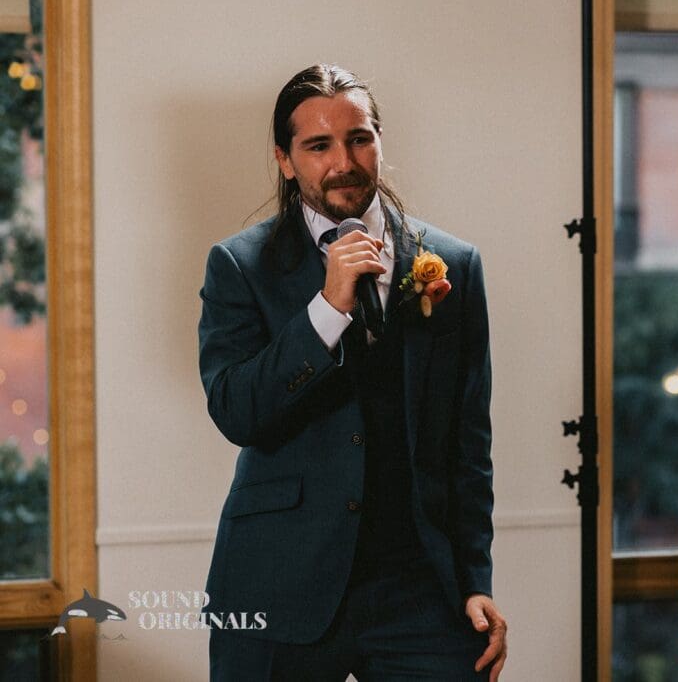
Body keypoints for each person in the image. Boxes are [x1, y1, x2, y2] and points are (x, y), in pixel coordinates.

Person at [198, 64, 507, 680]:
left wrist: (474, 579)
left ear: (379, 143)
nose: (344, 160)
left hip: (419, 588)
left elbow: (467, 443)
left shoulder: (452, 265)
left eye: (359, 138)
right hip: (277, 585)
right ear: (286, 160)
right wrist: (327, 309)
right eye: (318, 146)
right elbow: (236, 411)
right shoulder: (240, 265)